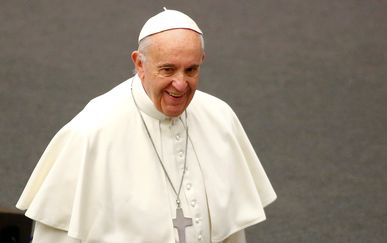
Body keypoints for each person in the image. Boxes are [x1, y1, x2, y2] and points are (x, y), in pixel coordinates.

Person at [16, 8, 276, 243]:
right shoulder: (92, 131)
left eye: (191, 70)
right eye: (168, 69)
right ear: (140, 64)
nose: (181, 84)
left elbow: (231, 231)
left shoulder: (220, 119)